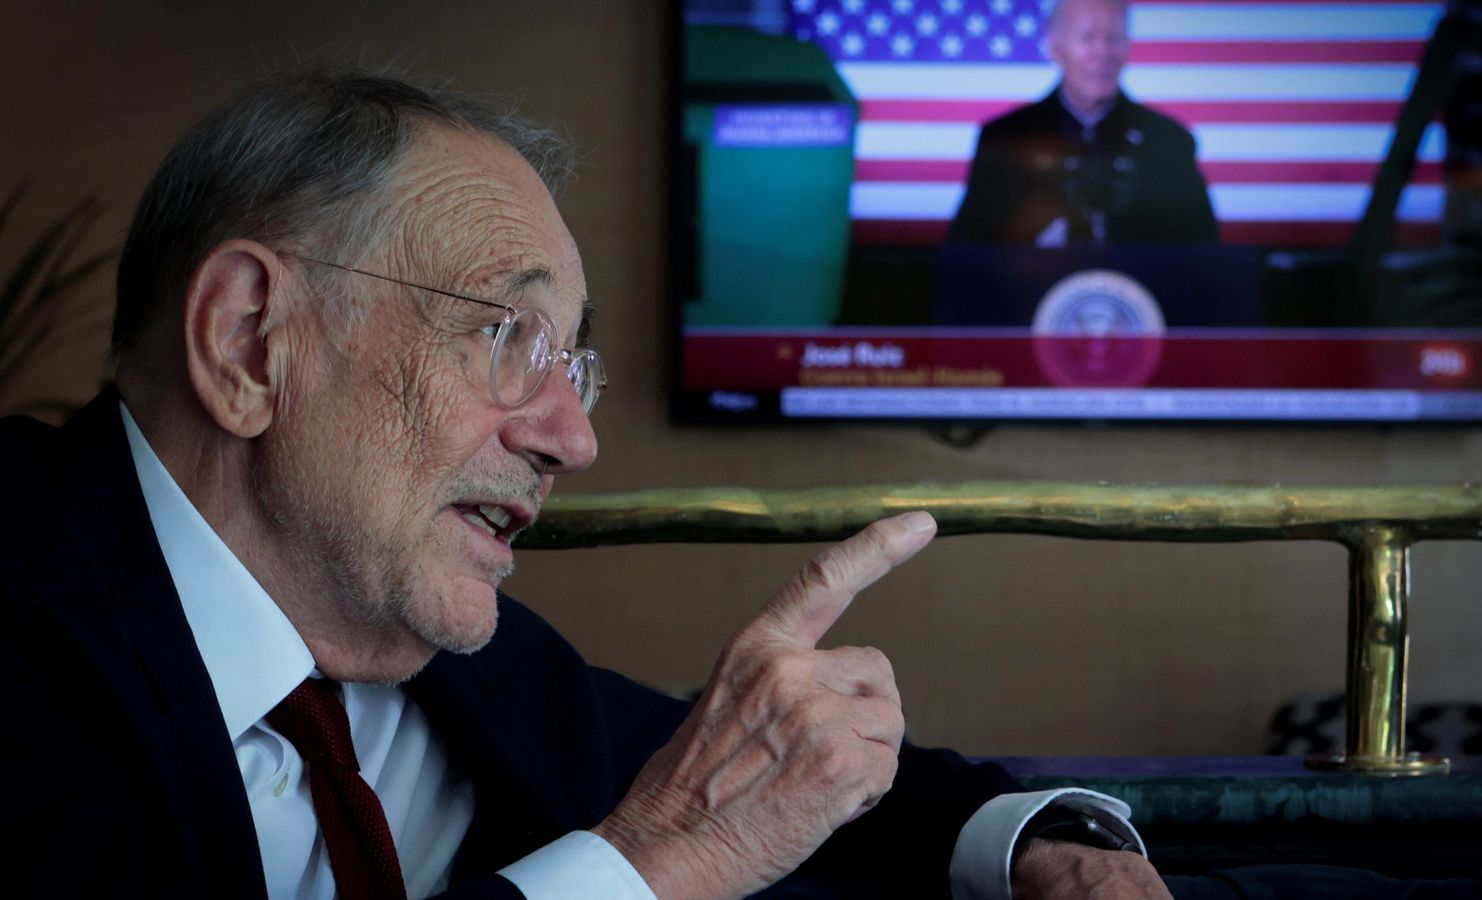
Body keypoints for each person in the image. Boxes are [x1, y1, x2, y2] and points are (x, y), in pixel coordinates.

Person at [0, 69, 1170, 899]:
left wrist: (1036, 840)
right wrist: (656, 864)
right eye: (508, 339)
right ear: (253, 342)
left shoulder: (457, 656)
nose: (571, 436)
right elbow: (686, 820)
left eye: (576, 365)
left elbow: (756, 772)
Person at [947, 0, 1217, 247]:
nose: (1102, 53)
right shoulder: (1004, 140)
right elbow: (967, 256)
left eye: (1113, 38)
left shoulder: (1168, 141)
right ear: (1056, 48)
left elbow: (1204, 257)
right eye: (1087, 38)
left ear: (1127, 47)